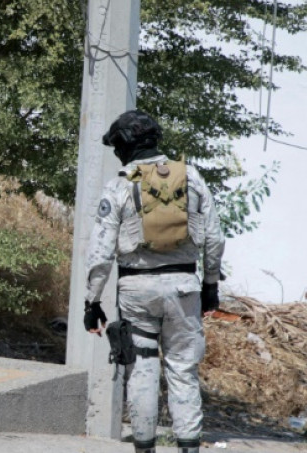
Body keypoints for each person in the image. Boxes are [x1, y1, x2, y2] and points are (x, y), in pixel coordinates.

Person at [82, 110, 225, 453]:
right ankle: (188, 449)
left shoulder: (119, 184)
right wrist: (210, 286)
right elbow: (215, 238)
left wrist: (93, 302)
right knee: (182, 372)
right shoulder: (191, 177)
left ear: (126, 146)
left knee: (142, 374)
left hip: (136, 290)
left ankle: (144, 449)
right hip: (184, 288)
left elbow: (100, 254)